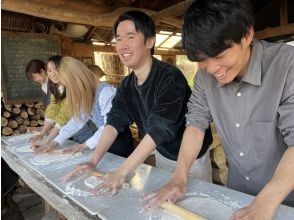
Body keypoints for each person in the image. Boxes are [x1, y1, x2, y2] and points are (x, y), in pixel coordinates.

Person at [143, 0, 294, 219]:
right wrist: (179, 176)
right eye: (203, 60)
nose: (213, 69)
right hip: (237, 192)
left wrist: (265, 202)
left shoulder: (286, 65)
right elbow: (195, 125)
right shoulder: (205, 78)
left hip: (286, 200)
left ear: (247, 35)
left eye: (220, 55)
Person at [63, 11, 213, 194]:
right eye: (118, 39)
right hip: (162, 153)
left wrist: (122, 171)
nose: (122, 45)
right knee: (163, 204)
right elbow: (114, 121)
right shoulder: (127, 85)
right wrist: (93, 160)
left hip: (192, 158)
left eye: (130, 37)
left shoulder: (170, 77)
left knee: (197, 204)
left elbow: (159, 128)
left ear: (150, 41)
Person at [41, 56, 134, 158]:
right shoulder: (83, 94)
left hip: (118, 142)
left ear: (78, 77)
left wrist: (84, 146)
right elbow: (78, 120)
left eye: (69, 84)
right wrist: (56, 141)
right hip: (101, 140)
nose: (70, 88)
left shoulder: (105, 92)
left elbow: (108, 127)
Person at [28, 55, 69, 148]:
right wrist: (43, 134)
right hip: (66, 130)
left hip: (81, 132)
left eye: (56, 69)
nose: (53, 74)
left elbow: (65, 115)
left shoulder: (71, 87)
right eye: (49, 70)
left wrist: (47, 138)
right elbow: (53, 109)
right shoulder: (56, 86)